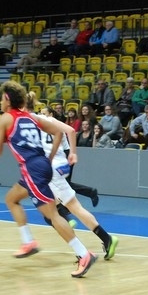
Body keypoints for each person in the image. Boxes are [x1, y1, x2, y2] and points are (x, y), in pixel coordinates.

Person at [0, 81, 97, 278]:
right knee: (11, 199)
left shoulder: (5, 118)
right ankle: (27, 241)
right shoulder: (29, 116)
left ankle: (84, 254)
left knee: (53, 216)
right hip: (42, 166)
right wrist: (49, 158)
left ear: (7, 98)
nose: (0, 102)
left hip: (32, 170)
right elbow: (58, 132)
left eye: (1, 98)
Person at [38, 106, 118, 259]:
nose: (41, 114)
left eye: (43, 112)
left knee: (53, 214)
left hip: (50, 171)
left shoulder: (35, 123)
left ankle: (83, 248)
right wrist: (73, 154)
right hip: (59, 168)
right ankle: (105, 239)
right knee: (57, 209)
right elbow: (71, 133)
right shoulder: (54, 124)